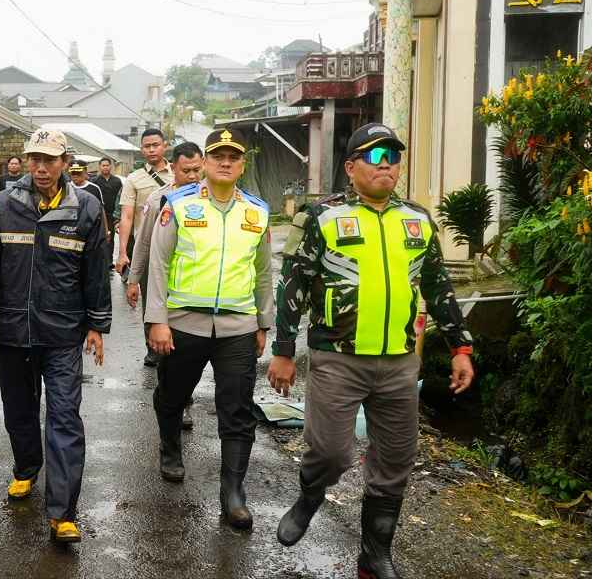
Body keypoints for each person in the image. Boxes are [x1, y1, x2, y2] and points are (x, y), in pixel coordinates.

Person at [268, 123, 475, 578]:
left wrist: (460, 346)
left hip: (401, 362)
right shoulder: (321, 217)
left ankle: (374, 556)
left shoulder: (418, 220)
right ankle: (310, 496)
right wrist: (283, 350)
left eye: (393, 158)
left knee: (397, 458)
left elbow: (439, 286)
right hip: (338, 358)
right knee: (331, 454)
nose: (387, 166)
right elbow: (292, 285)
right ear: (350, 166)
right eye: (374, 157)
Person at [0, 129, 111, 543]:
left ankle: (63, 512)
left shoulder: (84, 207)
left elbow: (97, 270)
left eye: (50, 160)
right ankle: (26, 469)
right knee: (19, 410)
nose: (41, 168)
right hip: (13, 330)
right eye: (35, 159)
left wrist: (97, 326)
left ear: (65, 162)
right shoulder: (5, 203)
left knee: (64, 417)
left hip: (63, 333)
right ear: (26, 161)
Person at [145, 128, 273, 531]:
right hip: (184, 323)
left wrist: (263, 323)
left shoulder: (256, 211)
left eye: (233, 156)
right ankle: (170, 447)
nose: (225, 162)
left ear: (242, 164)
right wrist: (157, 320)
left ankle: (233, 493)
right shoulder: (178, 203)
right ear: (206, 161)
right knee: (173, 394)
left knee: (237, 408)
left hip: (237, 325)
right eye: (218, 154)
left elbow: (264, 272)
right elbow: (159, 264)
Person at [127, 141, 203, 430]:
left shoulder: (210, 199)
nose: (194, 176)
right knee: (162, 347)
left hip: (192, 288)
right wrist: (134, 279)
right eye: (187, 171)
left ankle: (183, 400)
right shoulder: (160, 200)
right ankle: (171, 397)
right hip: (158, 284)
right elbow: (144, 242)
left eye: (198, 169)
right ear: (174, 168)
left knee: (187, 349)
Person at [117, 128, 173, 367]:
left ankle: (175, 344)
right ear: (141, 149)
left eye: (156, 145)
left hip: (177, 248)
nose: (151, 149)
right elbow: (127, 216)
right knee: (151, 299)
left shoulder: (178, 173)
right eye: (147, 146)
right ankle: (152, 346)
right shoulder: (134, 179)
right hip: (148, 247)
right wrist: (122, 252)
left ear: (165, 146)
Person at [91, 157, 122, 268]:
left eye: (107, 165)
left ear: (111, 167)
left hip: (112, 214)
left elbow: (120, 199)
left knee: (110, 238)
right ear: (99, 167)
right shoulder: (94, 181)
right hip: (98, 214)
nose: (105, 167)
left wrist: (118, 216)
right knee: (97, 237)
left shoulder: (117, 181)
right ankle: (98, 260)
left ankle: (109, 261)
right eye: (103, 165)